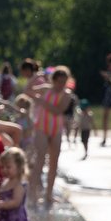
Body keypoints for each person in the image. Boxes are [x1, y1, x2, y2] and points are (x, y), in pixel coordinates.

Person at [28, 65, 74, 205]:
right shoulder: (45, 88)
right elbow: (27, 91)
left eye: (63, 81)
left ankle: (48, 194)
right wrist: (35, 77)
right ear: (53, 80)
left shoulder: (66, 94)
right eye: (59, 81)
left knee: (54, 162)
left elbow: (58, 111)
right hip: (41, 127)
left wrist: (41, 101)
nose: (61, 84)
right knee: (39, 160)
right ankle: (33, 194)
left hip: (56, 128)